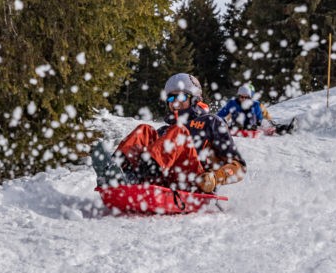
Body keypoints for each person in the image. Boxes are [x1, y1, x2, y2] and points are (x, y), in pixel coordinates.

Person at [92, 73, 246, 194]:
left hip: (195, 181)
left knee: (178, 130)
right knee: (144, 130)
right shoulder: (166, 130)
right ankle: (116, 171)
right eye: (171, 97)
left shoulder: (211, 122)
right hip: (165, 180)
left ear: (194, 99)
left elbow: (239, 167)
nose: (174, 102)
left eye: (180, 96)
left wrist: (215, 178)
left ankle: (138, 178)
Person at [217, 84, 296, 134]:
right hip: (236, 125)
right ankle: (240, 126)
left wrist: (261, 124)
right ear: (239, 96)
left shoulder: (255, 105)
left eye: (246, 97)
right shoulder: (232, 103)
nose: (244, 99)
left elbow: (260, 118)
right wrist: (223, 123)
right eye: (242, 97)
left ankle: (285, 129)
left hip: (251, 125)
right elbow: (219, 115)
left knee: (266, 124)